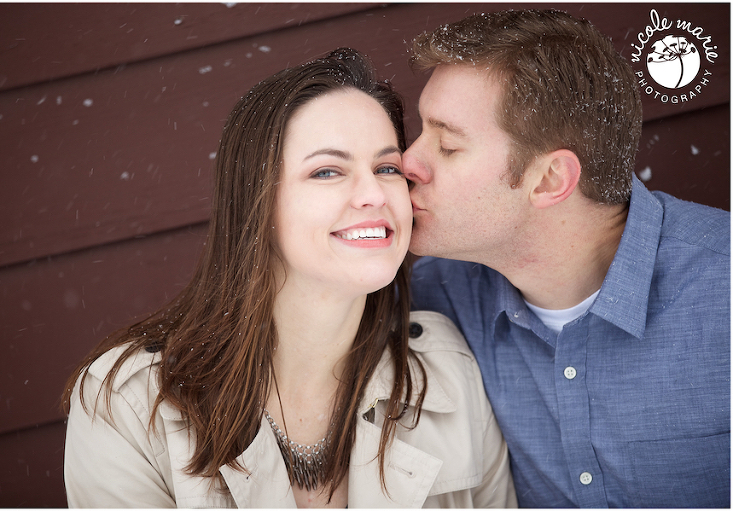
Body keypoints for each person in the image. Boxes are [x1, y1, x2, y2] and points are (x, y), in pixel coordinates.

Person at [61, 48, 516, 508]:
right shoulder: (129, 404)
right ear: (257, 204)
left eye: (387, 168)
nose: (373, 193)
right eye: (326, 171)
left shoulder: (448, 374)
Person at [403, 9, 730, 509]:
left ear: (551, 180)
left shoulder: (721, 289)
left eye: (447, 145)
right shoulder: (434, 299)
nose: (408, 161)